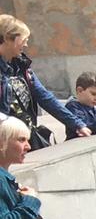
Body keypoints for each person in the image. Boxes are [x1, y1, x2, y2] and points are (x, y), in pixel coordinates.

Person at [0, 16, 86, 146]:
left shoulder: (23, 67)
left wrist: (76, 124)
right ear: (7, 38)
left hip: (25, 138)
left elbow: (45, 97)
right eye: (24, 39)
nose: (26, 44)